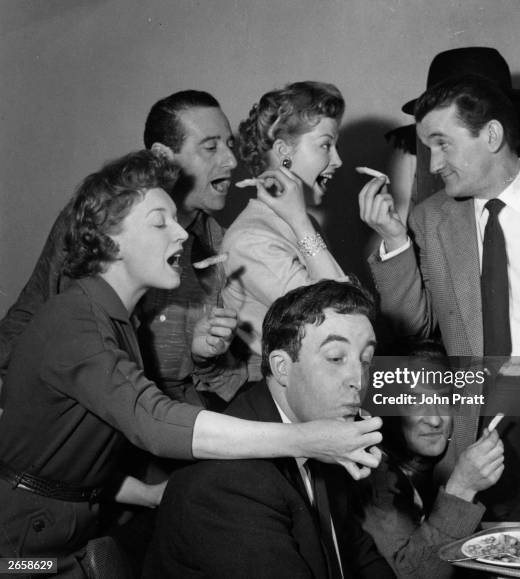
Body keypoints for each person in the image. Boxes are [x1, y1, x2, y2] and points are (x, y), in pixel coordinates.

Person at [0, 152, 382, 574]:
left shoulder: (120, 323)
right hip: (17, 544)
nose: (182, 233)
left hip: (64, 529)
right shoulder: (73, 319)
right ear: (111, 239)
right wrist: (307, 438)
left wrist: (149, 495)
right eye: (160, 221)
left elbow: (76, 450)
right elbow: (154, 422)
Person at [359, 75, 520, 521]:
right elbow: (413, 332)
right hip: (473, 423)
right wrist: (394, 241)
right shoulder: (429, 218)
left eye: (443, 144)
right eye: (426, 147)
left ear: (491, 135)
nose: (433, 163)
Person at [0, 90, 244, 408]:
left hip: (152, 412)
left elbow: (207, 374)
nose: (231, 160)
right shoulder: (102, 221)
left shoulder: (216, 243)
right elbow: (76, 343)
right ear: (163, 157)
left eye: (230, 145)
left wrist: (202, 355)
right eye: (210, 147)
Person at [143, 279, 394, 579]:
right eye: (336, 358)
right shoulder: (229, 487)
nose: (359, 380)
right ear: (282, 367)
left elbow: (358, 557)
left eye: (365, 360)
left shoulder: (326, 439)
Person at [222, 81, 347, 381]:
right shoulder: (249, 239)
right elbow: (336, 318)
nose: (338, 160)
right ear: (283, 152)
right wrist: (301, 221)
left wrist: (301, 221)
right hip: (276, 393)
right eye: (326, 145)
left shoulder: (298, 224)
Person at [359, 343, 504, 578]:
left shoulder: (430, 471)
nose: (435, 420)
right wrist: (462, 488)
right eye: (415, 401)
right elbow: (412, 574)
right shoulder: (375, 477)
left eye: (444, 400)